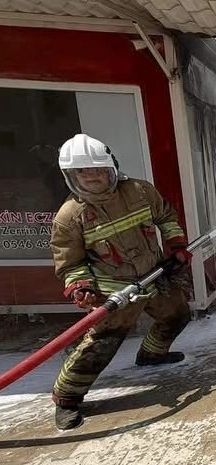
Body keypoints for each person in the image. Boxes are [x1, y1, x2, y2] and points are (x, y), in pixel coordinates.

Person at [50, 133, 193, 430]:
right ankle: (67, 399)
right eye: (83, 172)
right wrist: (81, 287)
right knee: (102, 343)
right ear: (71, 176)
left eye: (99, 170)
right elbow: (71, 263)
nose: (93, 176)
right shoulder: (70, 216)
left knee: (177, 313)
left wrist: (176, 244)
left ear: (112, 167)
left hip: (153, 275)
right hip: (115, 291)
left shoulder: (140, 191)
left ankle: (151, 355)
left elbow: (166, 216)